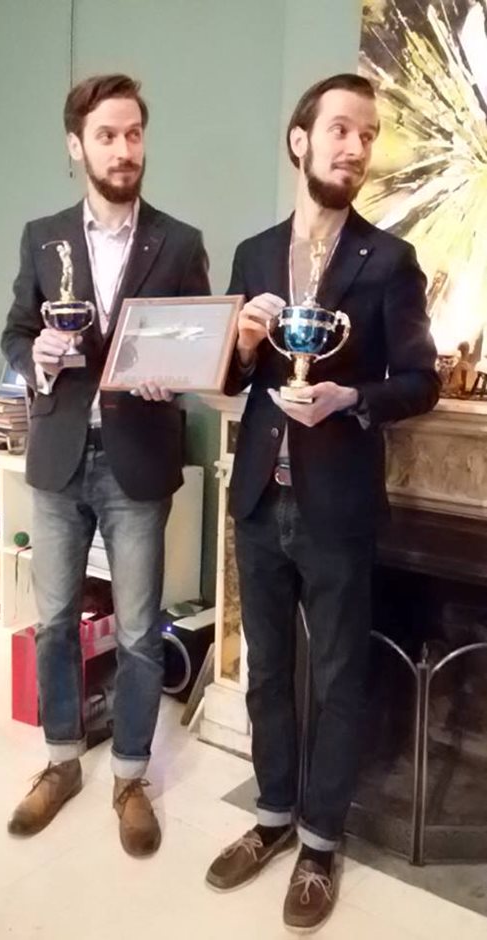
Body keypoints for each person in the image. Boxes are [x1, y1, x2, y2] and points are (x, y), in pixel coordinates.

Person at [206, 73, 439, 932]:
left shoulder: (390, 260)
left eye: (367, 135)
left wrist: (352, 400)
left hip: (337, 504)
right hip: (258, 498)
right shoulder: (253, 253)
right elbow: (233, 379)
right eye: (340, 129)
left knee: (338, 677)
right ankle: (271, 816)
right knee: (267, 671)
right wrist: (240, 343)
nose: (355, 147)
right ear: (299, 139)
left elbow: (419, 380)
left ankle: (318, 843)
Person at [1, 73, 210, 857]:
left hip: (138, 458)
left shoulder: (179, 242)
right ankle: (61, 761)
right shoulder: (42, 236)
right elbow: (15, 331)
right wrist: (35, 357)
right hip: (59, 455)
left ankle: (129, 775)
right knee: (55, 622)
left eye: (133, 134)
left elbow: (197, 341)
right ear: (76, 146)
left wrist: (174, 371)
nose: (124, 150)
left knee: (138, 630)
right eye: (107, 136)